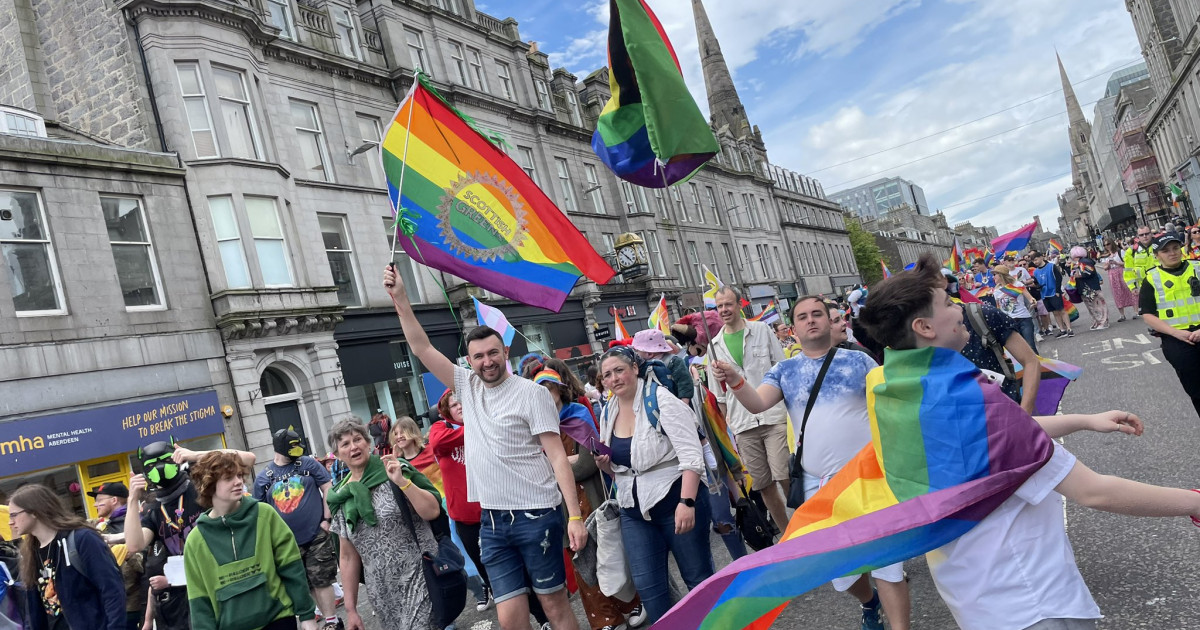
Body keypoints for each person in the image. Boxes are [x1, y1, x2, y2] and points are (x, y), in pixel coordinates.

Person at [856, 255, 1200, 630]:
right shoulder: (969, 402)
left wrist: (1085, 420)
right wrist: (1194, 502)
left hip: (971, 591)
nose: (960, 308)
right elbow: (1094, 491)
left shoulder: (896, 390)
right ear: (924, 327)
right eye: (948, 303)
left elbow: (1000, 432)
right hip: (1031, 596)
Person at [382, 265, 586, 630]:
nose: (487, 362)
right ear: (469, 361)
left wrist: (574, 516)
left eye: (493, 353)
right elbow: (421, 347)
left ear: (505, 351)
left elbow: (557, 456)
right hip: (491, 520)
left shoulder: (533, 394)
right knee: (509, 618)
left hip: (536, 514)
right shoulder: (467, 386)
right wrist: (400, 298)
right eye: (478, 356)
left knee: (554, 607)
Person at [711, 297, 910, 630]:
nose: (811, 320)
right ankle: (869, 602)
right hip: (822, 487)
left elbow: (891, 402)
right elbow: (757, 404)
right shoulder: (784, 370)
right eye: (802, 317)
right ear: (793, 329)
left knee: (887, 565)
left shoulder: (859, 361)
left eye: (817, 314)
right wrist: (734, 378)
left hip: (868, 480)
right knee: (841, 572)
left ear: (830, 321)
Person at [594, 347, 713, 624]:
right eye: (607, 375)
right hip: (634, 512)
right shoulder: (608, 411)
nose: (614, 379)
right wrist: (605, 465)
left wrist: (687, 502)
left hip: (676, 501)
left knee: (697, 579)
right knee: (649, 589)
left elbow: (691, 454)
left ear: (635, 368)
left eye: (619, 370)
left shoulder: (661, 400)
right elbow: (622, 470)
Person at [535, 364, 647, 630]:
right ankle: (605, 618)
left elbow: (588, 463)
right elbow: (536, 470)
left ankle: (632, 604)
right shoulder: (535, 427)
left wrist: (556, 465)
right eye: (540, 392)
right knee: (581, 563)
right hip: (561, 506)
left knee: (608, 554)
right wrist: (562, 463)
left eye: (550, 389)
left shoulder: (578, 415)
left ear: (560, 390)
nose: (546, 396)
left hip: (591, 497)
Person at [326, 418, 442, 630]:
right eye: (345, 444)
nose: (353, 447)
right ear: (338, 455)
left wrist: (402, 482)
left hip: (419, 576)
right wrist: (351, 609)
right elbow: (347, 556)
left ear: (368, 442)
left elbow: (432, 511)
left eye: (357, 439)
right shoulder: (340, 496)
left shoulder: (394, 469)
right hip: (382, 593)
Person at [125, 441, 256, 630]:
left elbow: (248, 459)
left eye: (165, 460)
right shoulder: (155, 511)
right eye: (152, 464)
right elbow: (134, 545)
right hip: (190, 598)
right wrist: (132, 499)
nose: (160, 467)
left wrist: (196, 455)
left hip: (227, 583)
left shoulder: (200, 487)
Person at [185, 451, 318, 630]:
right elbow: (199, 600)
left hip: (279, 620)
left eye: (239, 475)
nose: (238, 482)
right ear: (209, 484)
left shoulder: (265, 514)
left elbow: (291, 567)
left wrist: (307, 615)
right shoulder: (195, 540)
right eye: (228, 478)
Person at [705, 286, 791, 532]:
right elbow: (719, 396)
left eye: (728, 304)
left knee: (784, 474)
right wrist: (728, 433)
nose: (724, 310)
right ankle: (788, 534)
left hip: (773, 415)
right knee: (763, 484)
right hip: (742, 424)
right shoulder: (714, 345)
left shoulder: (762, 330)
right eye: (719, 306)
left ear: (739, 304)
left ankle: (808, 526)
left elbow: (782, 370)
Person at [252, 428, 341, 630]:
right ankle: (318, 619)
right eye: (293, 446)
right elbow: (259, 512)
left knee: (321, 579)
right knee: (305, 584)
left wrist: (327, 520)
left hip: (316, 535)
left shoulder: (308, 464)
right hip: (286, 544)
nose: (298, 449)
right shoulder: (264, 477)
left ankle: (332, 622)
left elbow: (327, 486)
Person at [8, 485, 126, 630]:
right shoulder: (30, 552)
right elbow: (33, 611)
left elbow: (112, 590)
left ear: (34, 512)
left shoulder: (82, 539)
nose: (10, 522)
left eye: (14, 515)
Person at [944, 268, 1041, 413]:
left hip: (1007, 411)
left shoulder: (985, 314)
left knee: (1030, 346)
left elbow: (1030, 361)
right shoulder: (914, 343)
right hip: (966, 420)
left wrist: (1025, 413)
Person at [1139, 233, 1200, 417]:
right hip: (1178, 341)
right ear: (1157, 255)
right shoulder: (1151, 279)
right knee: (1197, 391)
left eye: (1175, 248)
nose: (1172, 253)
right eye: (1165, 251)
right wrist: (1175, 333)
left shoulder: (1197, 268)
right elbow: (1148, 315)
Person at [89, 482, 146, 630]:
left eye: (99, 500)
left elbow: (145, 566)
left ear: (114, 500)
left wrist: (127, 553)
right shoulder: (100, 526)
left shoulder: (136, 524)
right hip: (109, 603)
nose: (95, 505)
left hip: (130, 606)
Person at [631, 328, 693, 404]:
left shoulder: (673, 362)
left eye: (637, 350)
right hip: (654, 404)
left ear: (649, 354)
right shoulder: (641, 365)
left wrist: (684, 403)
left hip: (676, 403)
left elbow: (685, 383)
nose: (635, 354)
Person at [992, 264, 1039, 353]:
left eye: (995, 274)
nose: (993, 277)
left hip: (1024, 319)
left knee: (1030, 346)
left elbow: (1030, 298)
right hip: (1010, 322)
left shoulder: (1017, 284)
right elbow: (998, 307)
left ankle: (1037, 362)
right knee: (1020, 350)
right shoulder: (996, 290)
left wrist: (1033, 302)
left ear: (1001, 275)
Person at [1033, 251, 1074, 338]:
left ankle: (1069, 329)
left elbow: (1059, 278)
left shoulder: (1051, 266)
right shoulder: (1035, 272)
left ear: (1041, 257)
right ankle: (1062, 330)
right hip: (1044, 294)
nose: (1035, 262)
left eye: (1036, 259)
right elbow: (1036, 282)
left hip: (1054, 292)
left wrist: (1058, 291)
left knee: (1061, 310)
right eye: (1033, 261)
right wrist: (1037, 286)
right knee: (1054, 312)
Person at [1069, 246, 1110, 330]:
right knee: (1091, 307)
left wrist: (1079, 275)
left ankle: (1103, 322)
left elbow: (1089, 272)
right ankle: (1097, 321)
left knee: (1098, 305)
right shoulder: (1078, 263)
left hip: (1091, 287)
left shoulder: (1085, 261)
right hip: (1084, 288)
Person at [1100, 241, 1137, 321]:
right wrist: (1108, 265)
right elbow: (1105, 267)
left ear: (1112, 243)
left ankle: (1135, 312)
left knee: (1129, 290)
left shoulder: (1120, 252)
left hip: (1122, 272)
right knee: (1117, 294)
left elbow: (1127, 263)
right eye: (1105, 245)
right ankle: (1122, 315)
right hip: (1112, 275)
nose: (1107, 246)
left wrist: (1116, 263)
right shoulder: (1106, 255)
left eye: (1108, 244)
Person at [1124, 225, 1157, 293]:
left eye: (1147, 234)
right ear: (1138, 236)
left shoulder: (1160, 246)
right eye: (1141, 235)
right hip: (1144, 287)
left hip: (1163, 283)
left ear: (1151, 234)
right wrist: (1132, 287)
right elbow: (1128, 270)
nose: (1144, 236)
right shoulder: (1131, 251)